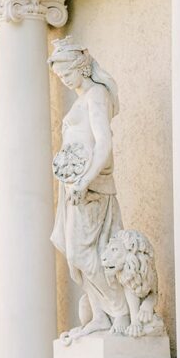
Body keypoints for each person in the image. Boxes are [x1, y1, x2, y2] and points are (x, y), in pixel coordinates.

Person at [48, 36, 130, 338]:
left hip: (92, 188)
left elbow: (104, 143)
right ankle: (99, 315)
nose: (65, 81)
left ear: (81, 67)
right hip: (75, 188)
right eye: (60, 77)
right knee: (75, 255)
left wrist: (85, 180)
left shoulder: (96, 95)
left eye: (67, 74)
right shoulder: (82, 99)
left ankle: (120, 310)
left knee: (84, 253)